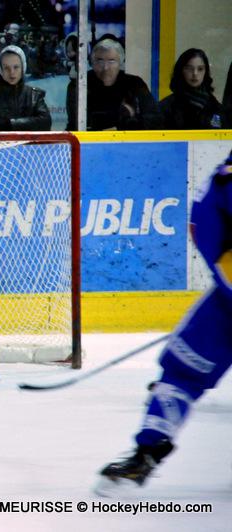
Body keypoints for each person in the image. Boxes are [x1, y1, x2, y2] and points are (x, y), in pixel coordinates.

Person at [95, 149, 232, 495]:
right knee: (182, 370)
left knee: (183, 371)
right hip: (225, 301)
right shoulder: (225, 178)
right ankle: (146, 453)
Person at [66, 37, 163, 131]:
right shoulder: (80, 84)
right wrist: (123, 115)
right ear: (92, 63)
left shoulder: (135, 83)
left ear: (120, 63)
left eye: (111, 61)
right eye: (100, 60)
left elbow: (154, 120)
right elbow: (78, 122)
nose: (106, 67)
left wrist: (125, 125)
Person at [0, 45, 51, 131]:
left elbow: (45, 122)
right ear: (1, 69)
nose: (12, 72)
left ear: (23, 68)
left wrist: (6, 126)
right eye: (6, 68)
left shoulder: (34, 96)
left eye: (16, 67)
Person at [159, 49, 227, 129]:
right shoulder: (166, 107)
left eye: (200, 69)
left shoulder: (216, 107)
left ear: (206, 72)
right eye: (189, 68)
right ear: (181, 70)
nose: (195, 73)